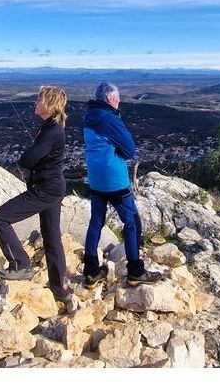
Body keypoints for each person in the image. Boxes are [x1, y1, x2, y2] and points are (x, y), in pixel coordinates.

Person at [0, 86, 73, 304]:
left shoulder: (52, 130)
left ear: (48, 104)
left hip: (46, 190)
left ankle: (21, 265)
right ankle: (60, 290)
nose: (35, 103)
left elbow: (28, 159)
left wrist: (25, 157)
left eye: (38, 99)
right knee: (52, 237)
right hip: (53, 188)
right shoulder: (52, 126)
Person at [82, 82, 163, 287]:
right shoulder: (110, 119)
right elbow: (130, 150)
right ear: (110, 98)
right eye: (118, 97)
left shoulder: (89, 116)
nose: (119, 101)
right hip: (115, 180)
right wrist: (117, 151)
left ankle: (91, 271)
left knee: (96, 222)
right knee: (131, 222)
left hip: (96, 179)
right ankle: (135, 271)